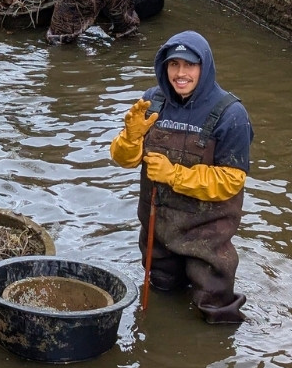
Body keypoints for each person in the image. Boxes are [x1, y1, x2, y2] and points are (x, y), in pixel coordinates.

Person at [109, 31, 254, 324]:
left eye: (189, 65)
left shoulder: (231, 115)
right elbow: (123, 159)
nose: (180, 73)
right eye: (173, 64)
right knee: (161, 296)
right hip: (157, 230)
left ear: (205, 67)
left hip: (207, 237)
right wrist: (130, 137)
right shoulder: (152, 102)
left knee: (215, 310)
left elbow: (231, 181)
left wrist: (174, 175)